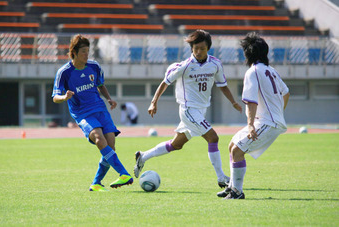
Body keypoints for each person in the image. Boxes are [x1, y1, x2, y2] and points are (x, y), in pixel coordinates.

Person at [133, 30, 242, 189]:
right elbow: (165, 82)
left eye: (202, 49)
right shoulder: (184, 66)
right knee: (213, 138)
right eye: (195, 48)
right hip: (188, 110)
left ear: (208, 49)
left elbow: (222, 86)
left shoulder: (215, 64)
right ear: (191, 48)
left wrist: (233, 102)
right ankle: (221, 178)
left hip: (201, 110)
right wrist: (153, 102)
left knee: (176, 144)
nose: (198, 52)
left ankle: (142, 157)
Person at [52, 34, 133, 191]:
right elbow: (55, 97)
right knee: (98, 138)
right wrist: (64, 97)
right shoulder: (64, 72)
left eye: (88, 51)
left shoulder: (94, 66)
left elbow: (100, 84)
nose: (86, 55)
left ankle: (96, 183)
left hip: (100, 109)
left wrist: (109, 99)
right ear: (74, 52)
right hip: (83, 113)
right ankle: (123, 173)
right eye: (83, 51)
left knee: (110, 145)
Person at [217, 32, 290, 199]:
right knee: (232, 145)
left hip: (267, 122)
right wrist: (279, 112)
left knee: (237, 150)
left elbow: (251, 101)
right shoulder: (271, 71)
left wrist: (250, 125)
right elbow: (286, 93)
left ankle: (237, 192)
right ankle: (232, 187)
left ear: (247, 54)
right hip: (269, 121)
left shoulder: (253, 72)